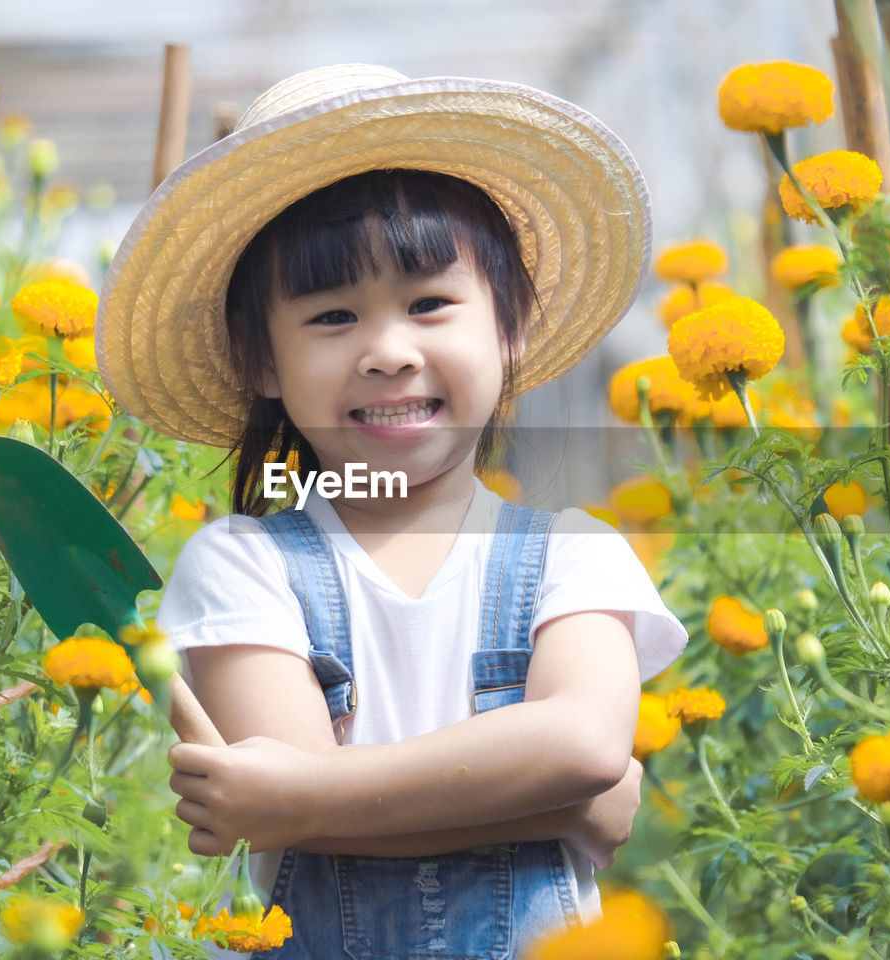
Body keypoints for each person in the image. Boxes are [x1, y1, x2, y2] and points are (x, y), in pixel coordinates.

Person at [96, 63, 688, 958]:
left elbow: (579, 742)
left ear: (510, 327)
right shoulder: (241, 564)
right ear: (262, 363)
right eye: (333, 317)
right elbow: (299, 819)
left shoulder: (577, 555)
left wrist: (309, 794)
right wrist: (561, 803)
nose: (387, 351)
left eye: (429, 304)